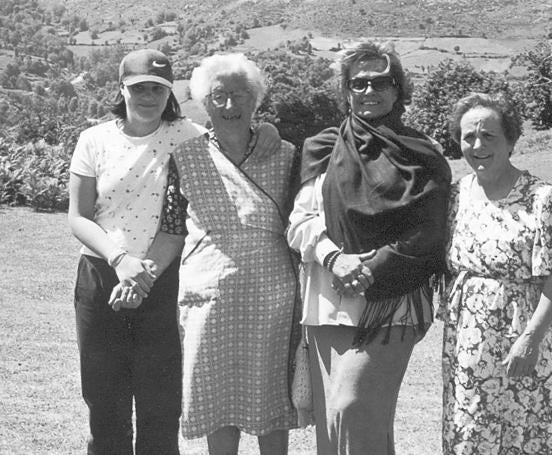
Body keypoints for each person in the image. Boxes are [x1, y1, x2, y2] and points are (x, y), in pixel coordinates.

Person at [68, 49, 280, 455]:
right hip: (101, 275)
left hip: (164, 279)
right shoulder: (93, 140)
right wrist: (120, 260)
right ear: (122, 89)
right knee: (104, 399)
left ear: (171, 93)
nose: (149, 96)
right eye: (139, 88)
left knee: (161, 403)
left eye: (158, 89)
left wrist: (265, 128)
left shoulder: (190, 136)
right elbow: (78, 217)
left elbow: (235, 139)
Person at [286, 41, 451, 455]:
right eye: (358, 83)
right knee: (338, 428)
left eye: (381, 81)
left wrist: (373, 266)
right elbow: (300, 222)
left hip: (395, 297)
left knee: (352, 406)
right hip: (328, 299)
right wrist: (335, 259)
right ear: (345, 90)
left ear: (398, 90)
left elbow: (430, 231)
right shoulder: (322, 147)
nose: (369, 90)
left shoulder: (421, 153)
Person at [157, 53, 300, 455]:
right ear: (204, 102)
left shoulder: (286, 155)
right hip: (209, 296)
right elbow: (171, 229)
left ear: (256, 101)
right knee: (215, 399)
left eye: (241, 95)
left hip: (271, 297)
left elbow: (304, 220)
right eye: (219, 96)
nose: (230, 105)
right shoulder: (186, 157)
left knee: (271, 399)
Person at [437, 93, 552, 455]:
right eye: (468, 137)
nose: (477, 145)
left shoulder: (543, 198)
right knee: (466, 430)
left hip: (521, 335)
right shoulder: (456, 195)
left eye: (489, 136)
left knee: (518, 432)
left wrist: (530, 339)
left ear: (511, 140)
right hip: (465, 338)